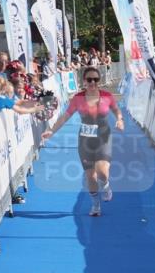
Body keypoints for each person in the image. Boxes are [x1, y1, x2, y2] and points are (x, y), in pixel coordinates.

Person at [41, 67, 124, 217]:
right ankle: (96, 205)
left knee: (102, 171)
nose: (92, 82)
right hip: (85, 140)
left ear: (99, 81)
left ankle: (106, 186)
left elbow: (116, 110)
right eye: (89, 79)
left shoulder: (107, 96)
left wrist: (119, 119)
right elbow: (65, 116)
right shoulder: (77, 99)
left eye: (95, 79)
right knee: (90, 176)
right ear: (84, 81)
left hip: (103, 137)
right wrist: (52, 131)